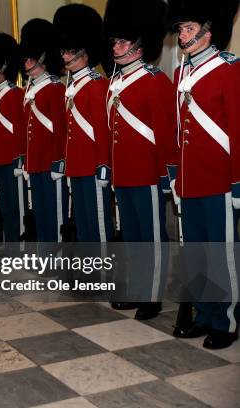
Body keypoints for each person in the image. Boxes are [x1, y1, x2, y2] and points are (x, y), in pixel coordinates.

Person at [168, 0, 240, 349]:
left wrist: (238, 182)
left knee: (221, 252)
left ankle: (226, 321)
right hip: (190, 180)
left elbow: (238, 131)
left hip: (219, 181)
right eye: (180, 28)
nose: (182, 34)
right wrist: (177, 177)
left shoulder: (229, 69)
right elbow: (178, 130)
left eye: (189, 28)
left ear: (208, 32)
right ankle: (204, 313)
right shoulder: (182, 73)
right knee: (195, 251)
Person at [102, 0, 179, 319]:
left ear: (138, 44)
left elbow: (165, 134)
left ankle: (153, 294)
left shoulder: (155, 81)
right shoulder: (115, 82)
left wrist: (167, 177)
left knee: (151, 237)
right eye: (115, 41)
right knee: (132, 236)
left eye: (122, 41)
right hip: (124, 174)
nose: (116, 47)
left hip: (148, 174)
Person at [53, 4, 113, 243]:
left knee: (98, 224)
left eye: (70, 52)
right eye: (64, 51)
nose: (65, 56)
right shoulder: (72, 85)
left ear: (85, 53)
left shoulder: (97, 84)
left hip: (92, 166)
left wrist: (103, 165)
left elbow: (101, 129)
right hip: (76, 166)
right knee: (84, 225)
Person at [19, 18, 67, 243]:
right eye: (26, 58)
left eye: (31, 58)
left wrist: (59, 161)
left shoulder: (56, 88)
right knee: (40, 211)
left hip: (50, 161)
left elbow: (59, 130)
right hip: (35, 161)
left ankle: (56, 257)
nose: (27, 62)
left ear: (42, 58)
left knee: (55, 212)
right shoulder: (32, 88)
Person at [0, 32, 25, 244]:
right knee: (5, 204)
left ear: (3, 67)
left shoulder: (14, 94)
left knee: (15, 203)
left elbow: (18, 130)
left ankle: (16, 242)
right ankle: (9, 240)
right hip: (0, 157)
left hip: (12, 158)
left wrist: (20, 159)